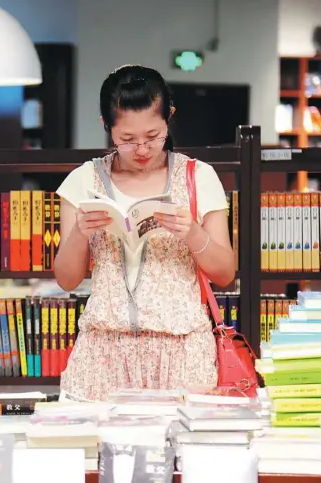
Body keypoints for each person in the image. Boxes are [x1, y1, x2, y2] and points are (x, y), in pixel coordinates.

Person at [54, 65, 235, 401]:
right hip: (104, 353)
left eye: (153, 136)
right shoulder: (84, 180)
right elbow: (66, 280)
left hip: (182, 352)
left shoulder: (199, 177)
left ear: (170, 119)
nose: (141, 149)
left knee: (182, 451)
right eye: (126, 139)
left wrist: (192, 233)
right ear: (106, 127)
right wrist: (79, 233)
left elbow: (225, 273)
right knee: (97, 451)